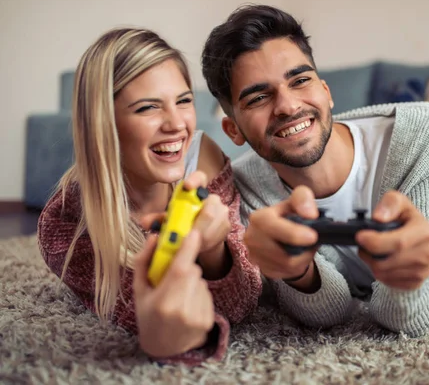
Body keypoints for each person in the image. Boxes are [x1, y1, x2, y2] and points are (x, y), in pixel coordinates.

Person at [200, 4, 429, 336]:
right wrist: (298, 272)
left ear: (326, 92)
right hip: (386, 153)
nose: (288, 106)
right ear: (233, 131)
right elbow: (332, 312)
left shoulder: (425, 130)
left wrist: (406, 279)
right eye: (258, 98)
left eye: (300, 80)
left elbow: (413, 320)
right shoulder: (247, 188)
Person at [37, 28, 262, 366]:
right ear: (103, 123)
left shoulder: (203, 159)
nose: (177, 124)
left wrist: (215, 251)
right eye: (147, 108)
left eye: (184, 101)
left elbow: (241, 304)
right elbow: (154, 319)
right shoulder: (65, 226)